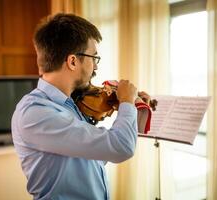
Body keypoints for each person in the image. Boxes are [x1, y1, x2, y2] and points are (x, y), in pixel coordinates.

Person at [11, 13, 139, 200]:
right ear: (72, 61)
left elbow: (94, 156)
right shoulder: (35, 112)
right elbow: (122, 147)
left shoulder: (71, 103)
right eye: (94, 57)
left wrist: (134, 108)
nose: (95, 67)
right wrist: (127, 101)